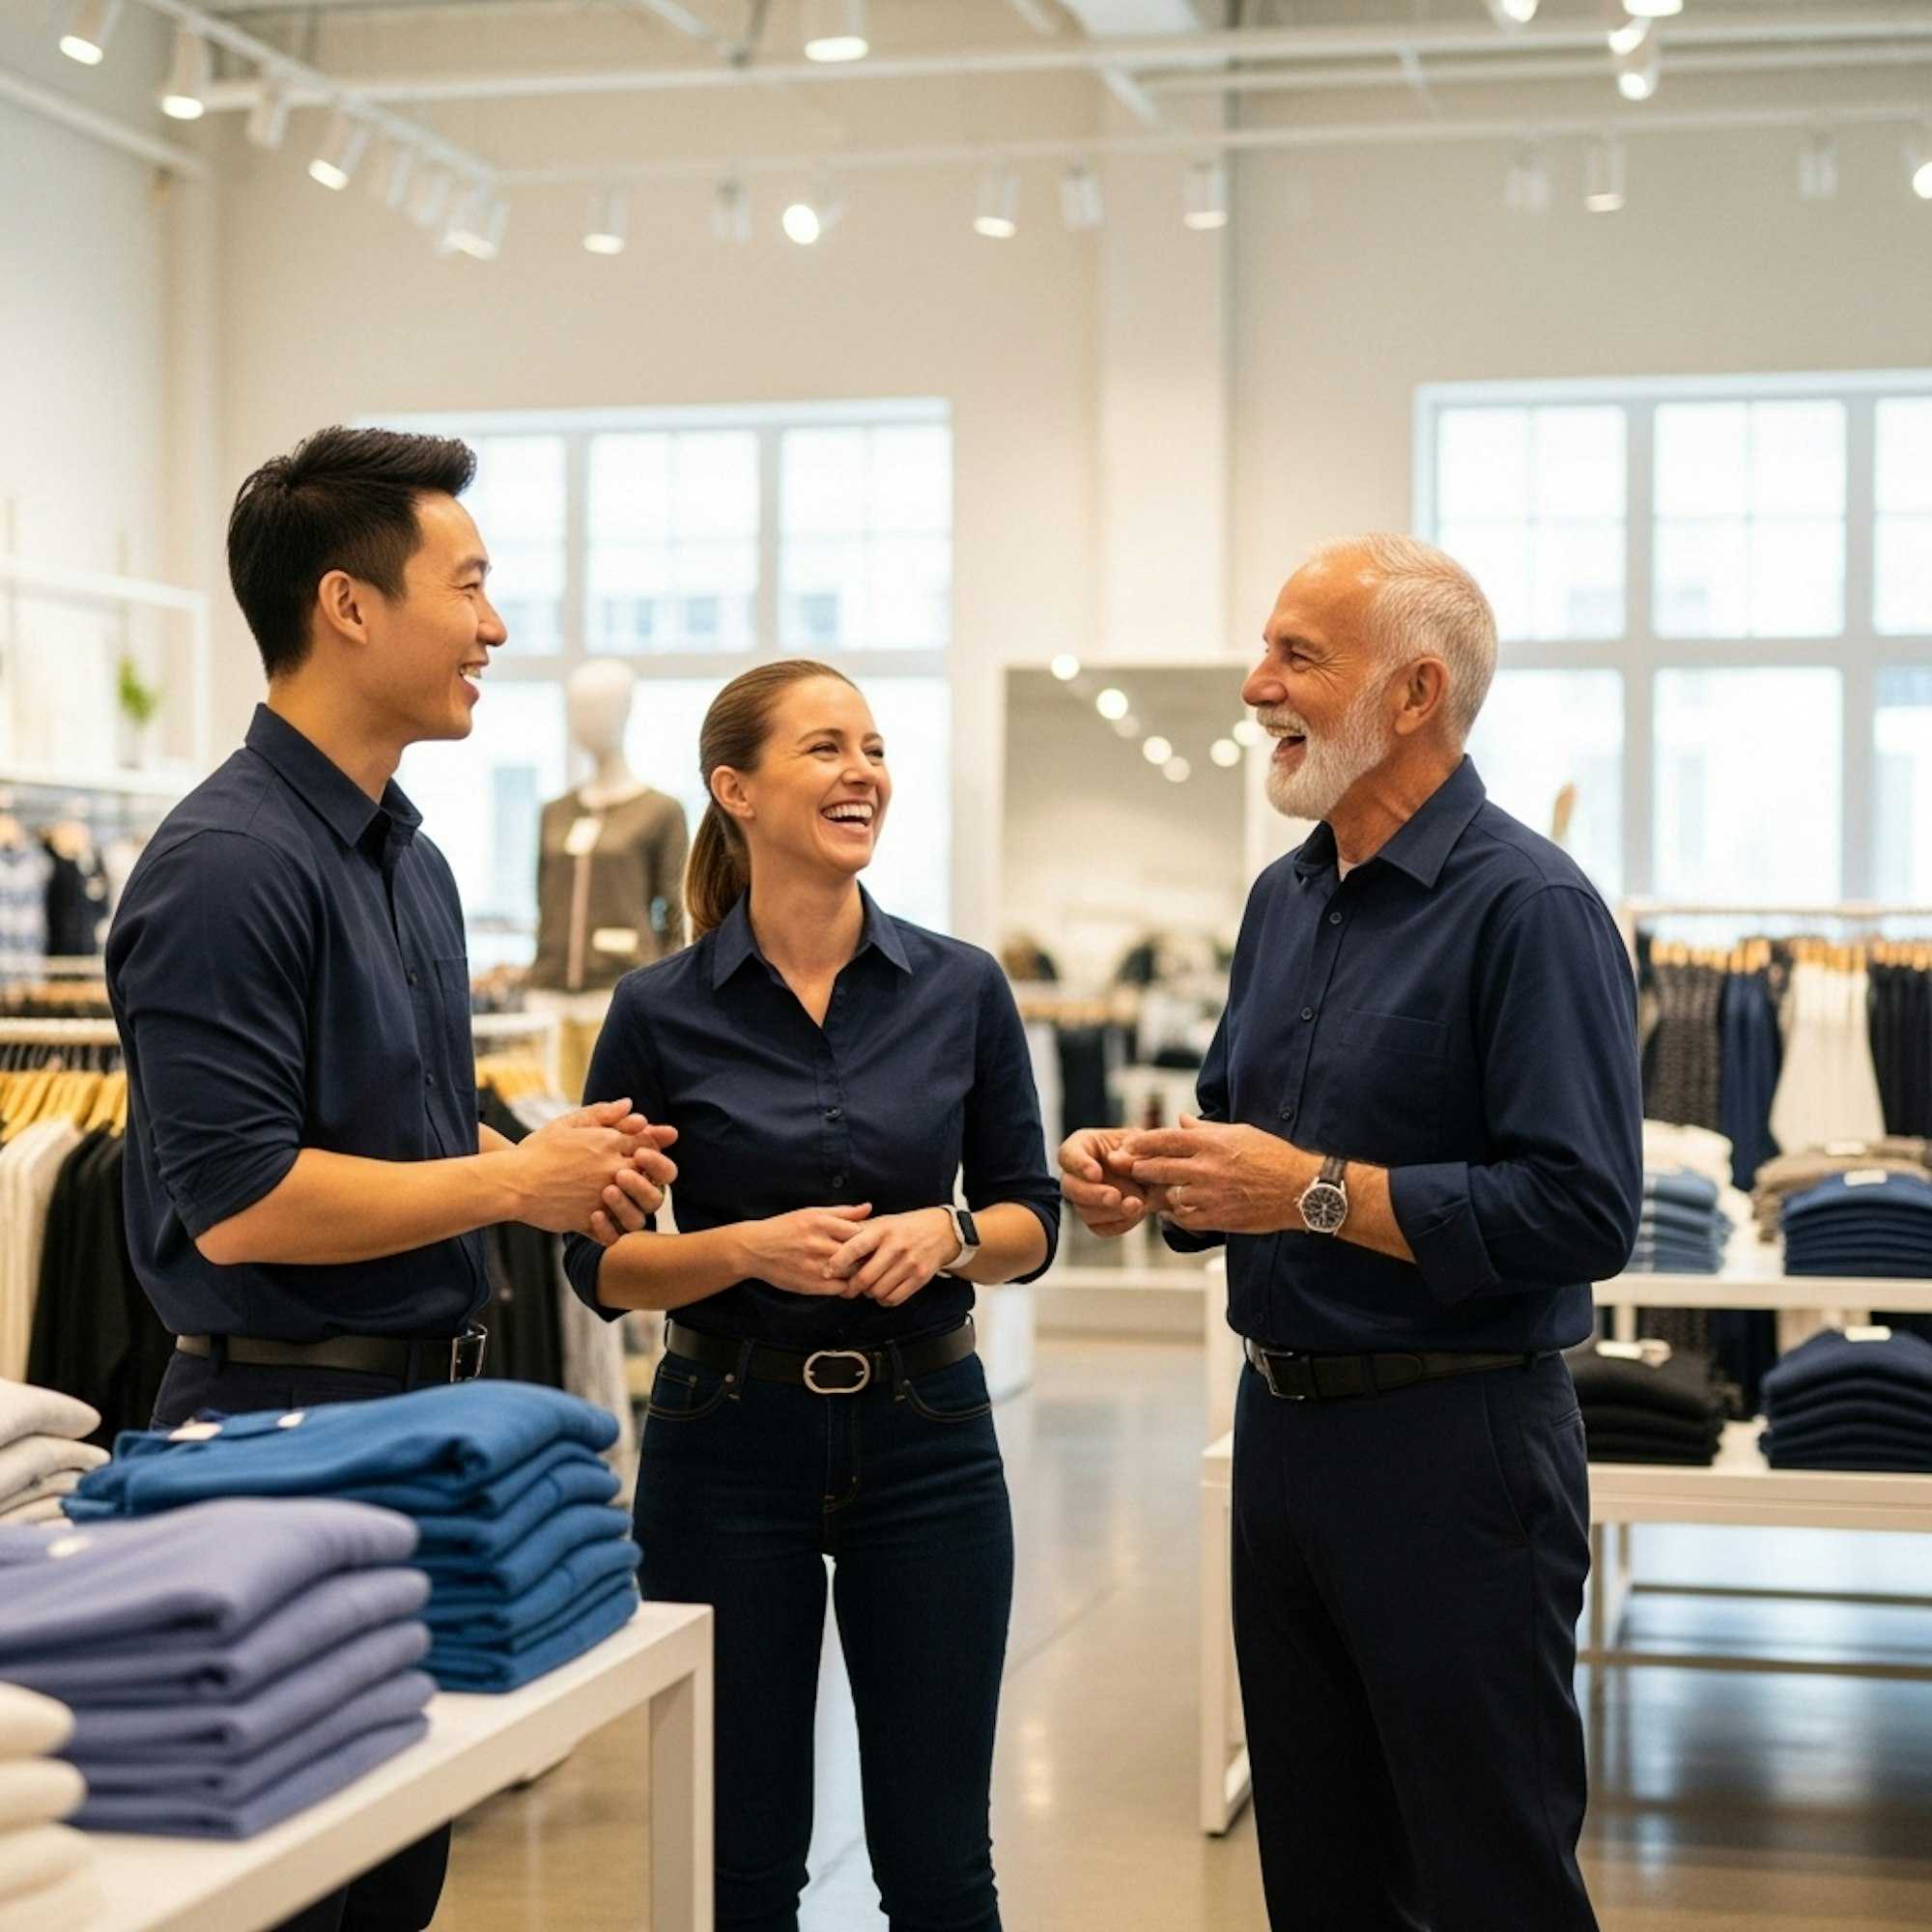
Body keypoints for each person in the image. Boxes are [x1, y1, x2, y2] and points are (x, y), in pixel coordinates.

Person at [106, 425, 677, 1932]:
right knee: (299, 1895)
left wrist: (555, 1160)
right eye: (470, 587)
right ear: (349, 606)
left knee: (393, 1879)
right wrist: (510, 1191)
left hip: (417, 1424)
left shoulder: (405, 861)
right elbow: (242, 1198)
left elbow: (409, 1117)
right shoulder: (225, 866)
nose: (495, 629)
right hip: (280, 1436)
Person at [1061, 535, 1642, 1932]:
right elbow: (1236, 1142)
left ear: (1416, 691)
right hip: (1284, 1445)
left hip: (1459, 1456)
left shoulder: (1533, 907)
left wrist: (1310, 1188)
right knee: (1318, 1868)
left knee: (1485, 1871)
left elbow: (1582, 1210)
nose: (1258, 686)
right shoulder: (1286, 898)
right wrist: (1148, 1176)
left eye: (1296, 657)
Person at [563, 658, 1061, 1931]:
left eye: (876, 748)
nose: (864, 773)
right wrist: (743, 1249)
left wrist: (944, 1235)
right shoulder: (657, 1011)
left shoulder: (962, 988)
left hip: (930, 1444)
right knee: (741, 1862)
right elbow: (601, 1265)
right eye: (826, 748)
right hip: (725, 1440)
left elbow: (1029, 1222)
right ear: (734, 788)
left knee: (941, 1862)